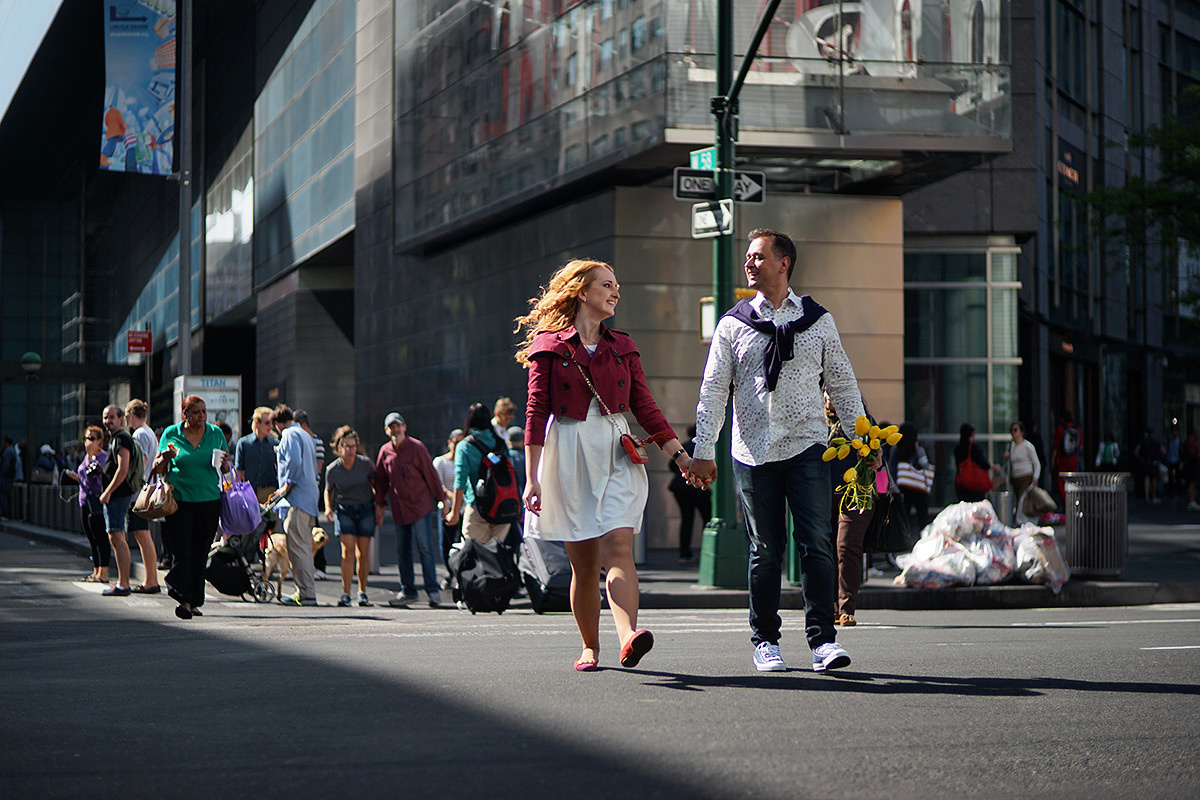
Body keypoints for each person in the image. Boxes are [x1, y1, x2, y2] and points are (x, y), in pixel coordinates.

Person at [688, 230, 858, 674]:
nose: (749, 263)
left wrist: (862, 438)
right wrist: (703, 448)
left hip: (807, 445)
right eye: (747, 257)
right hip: (753, 451)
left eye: (758, 256)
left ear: (783, 264)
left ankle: (824, 641)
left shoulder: (817, 320)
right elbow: (712, 390)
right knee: (765, 550)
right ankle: (765, 641)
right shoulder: (733, 324)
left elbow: (841, 381)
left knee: (816, 543)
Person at [518, 258, 689, 673]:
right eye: (607, 285)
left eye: (618, 286)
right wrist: (532, 479)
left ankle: (629, 634)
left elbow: (644, 406)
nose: (615, 292)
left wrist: (680, 456)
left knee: (618, 546)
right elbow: (536, 412)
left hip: (615, 446)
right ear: (582, 291)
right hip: (569, 450)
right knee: (585, 563)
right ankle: (590, 647)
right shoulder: (549, 347)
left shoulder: (623, 346)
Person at [154, 395, 229, 619]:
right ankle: (183, 600)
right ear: (185, 413)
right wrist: (165, 457)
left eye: (204, 411)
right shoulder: (171, 433)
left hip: (208, 500)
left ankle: (195, 601)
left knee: (200, 552)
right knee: (183, 551)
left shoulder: (215, 434)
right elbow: (158, 468)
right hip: (180, 501)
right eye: (196, 412)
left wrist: (225, 464)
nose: (202, 416)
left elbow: (226, 467)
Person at [374, 412, 444, 608]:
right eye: (391, 427)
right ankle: (408, 591)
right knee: (402, 551)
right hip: (399, 509)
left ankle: (432, 591)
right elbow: (380, 481)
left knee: (425, 548)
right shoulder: (385, 451)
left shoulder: (417, 448)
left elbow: (431, 475)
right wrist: (380, 505)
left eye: (398, 426)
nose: (395, 430)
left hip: (420, 507)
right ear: (387, 430)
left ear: (404, 427)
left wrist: (442, 500)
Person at [824, 395, 882, 628]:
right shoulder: (815, 421)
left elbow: (878, 453)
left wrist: (876, 459)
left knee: (846, 546)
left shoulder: (862, 421)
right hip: (823, 493)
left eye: (833, 397)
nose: (829, 403)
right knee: (824, 550)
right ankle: (830, 608)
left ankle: (846, 608)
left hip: (857, 493)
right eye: (826, 398)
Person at [269, 404, 321, 606]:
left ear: (277, 424)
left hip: (297, 498)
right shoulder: (305, 434)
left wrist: (286, 486)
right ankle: (306, 591)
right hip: (309, 497)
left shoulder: (289, 435)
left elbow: (293, 461)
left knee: (297, 547)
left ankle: (306, 592)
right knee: (305, 546)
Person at [447, 403, 516, 545]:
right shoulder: (501, 443)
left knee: (473, 554)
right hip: (504, 508)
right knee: (496, 555)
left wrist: (454, 513)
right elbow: (512, 474)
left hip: (478, 508)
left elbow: (460, 480)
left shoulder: (464, 446)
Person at [324, 427, 376, 607]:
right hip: (344, 509)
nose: (351, 450)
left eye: (354, 446)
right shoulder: (333, 469)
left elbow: (375, 483)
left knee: (363, 552)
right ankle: (346, 593)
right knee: (347, 552)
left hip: (365, 509)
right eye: (347, 446)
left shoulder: (365, 464)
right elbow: (328, 490)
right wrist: (328, 508)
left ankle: (362, 592)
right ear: (339, 447)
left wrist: (380, 507)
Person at [98, 404, 144, 597]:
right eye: (105, 417)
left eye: (111, 417)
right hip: (118, 495)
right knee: (115, 537)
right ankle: (122, 582)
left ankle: (124, 583)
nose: (108, 421)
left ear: (120, 419)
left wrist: (108, 492)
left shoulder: (122, 438)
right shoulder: (117, 438)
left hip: (118, 495)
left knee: (117, 537)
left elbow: (122, 469)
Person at [63, 426, 110, 583]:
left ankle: (104, 572)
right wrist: (76, 477)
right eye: (86, 439)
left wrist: (97, 470)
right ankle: (96, 570)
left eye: (91, 439)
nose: (87, 443)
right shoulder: (86, 458)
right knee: (91, 537)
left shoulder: (103, 458)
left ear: (100, 441)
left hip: (97, 500)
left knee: (101, 536)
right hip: (84, 500)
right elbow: (85, 478)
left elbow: (102, 480)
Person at [122, 399, 160, 593]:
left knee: (142, 535)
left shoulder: (140, 434)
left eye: (126, 415)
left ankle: (151, 580)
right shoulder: (148, 432)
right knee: (142, 535)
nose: (125, 419)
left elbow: (140, 463)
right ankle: (151, 578)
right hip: (146, 490)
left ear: (132, 414)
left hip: (139, 492)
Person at [667, 425, 710, 563]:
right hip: (697, 487)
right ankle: (706, 551)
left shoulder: (684, 447)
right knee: (707, 518)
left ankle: (684, 553)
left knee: (687, 519)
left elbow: (672, 465)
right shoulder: (703, 449)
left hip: (680, 487)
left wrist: (684, 474)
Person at [295, 410, 328, 580]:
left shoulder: (316, 442)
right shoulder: (299, 440)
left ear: (303, 425)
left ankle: (320, 565)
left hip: (311, 492)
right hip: (302, 492)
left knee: (315, 530)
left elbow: (318, 467)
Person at [432, 428, 464, 586]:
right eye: (455, 442)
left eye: (461, 442)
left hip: (464, 508)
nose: (458, 446)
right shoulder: (441, 462)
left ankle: (460, 573)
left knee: (462, 541)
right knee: (446, 542)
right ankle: (449, 571)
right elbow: (438, 486)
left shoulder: (465, 461)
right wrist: (453, 497)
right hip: (447, 507)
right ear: (449, 443)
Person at [890, 422, 933, 533]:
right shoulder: (918, 450)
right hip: (919, 488)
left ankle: (904, 539)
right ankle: (924, 539)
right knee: (922, 518)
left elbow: (892, 469)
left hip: (903, 487)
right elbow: (926, 467)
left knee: (904, 517)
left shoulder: (896, 450)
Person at [234, 407, 279, 505]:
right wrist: (237, 496)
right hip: (250, 493)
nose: (271, 426)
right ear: (257, 422)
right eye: (267, 423)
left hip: (270, 493)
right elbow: (238, 473)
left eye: (272, 423)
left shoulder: (275, 444)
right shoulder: (244, 444)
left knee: (269, 520)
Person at [954, 422, 998, 502]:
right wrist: (993, 467)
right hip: (975, 485)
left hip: (962, 484)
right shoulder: (974, 448)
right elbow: (983, 463)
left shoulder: (957, 448)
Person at [1004, 421, 1041, 501]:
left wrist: (1035, 477)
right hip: (1015, 478)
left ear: (1021, 432)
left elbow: (1036, 463)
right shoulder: (1010, 446)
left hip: (1026, 476)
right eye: (1012, 430)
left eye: (1015, 430)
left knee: (1022, 499)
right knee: (1017, 498)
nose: (1013, 433)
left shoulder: (1028, 446)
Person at [1051, 410, 1082, 501]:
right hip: (1074, 459)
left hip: (1063, 459)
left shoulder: (1060, 429)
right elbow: (1080, 446)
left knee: (1060, 481)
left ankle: (1066, 500)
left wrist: (1053, 460)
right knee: (1073, 480)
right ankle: (1073, 499)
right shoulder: (1077, 429)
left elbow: (1056, 446)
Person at [1134, 427, 1165, 504]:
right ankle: (1153, 496)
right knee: (1154, 479)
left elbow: (1136, 451)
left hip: (1146, 461)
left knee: (1146, 478)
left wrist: (1141, 458)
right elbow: (1163, 451)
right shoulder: (1156, 441)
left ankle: (1146, 496)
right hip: (1154, 462)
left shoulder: (1143, 441)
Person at [1183, 428, 1200, 512]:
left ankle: (1192, 500)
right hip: (1192, 465)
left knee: (1193, 483)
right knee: (1192, 483)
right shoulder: (1191, 443)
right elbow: (1192, 453)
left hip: (1192, 465)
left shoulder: (1191, 442)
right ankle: (1191, 500)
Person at [0, 435, 15, 519]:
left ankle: (6, 513)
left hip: (6, 477)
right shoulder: (12, 451)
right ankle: (8, 513)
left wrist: (2, 474)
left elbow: (6, 465)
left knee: (4, 495)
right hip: (9, 477)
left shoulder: (8, 452)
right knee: (7, 495)